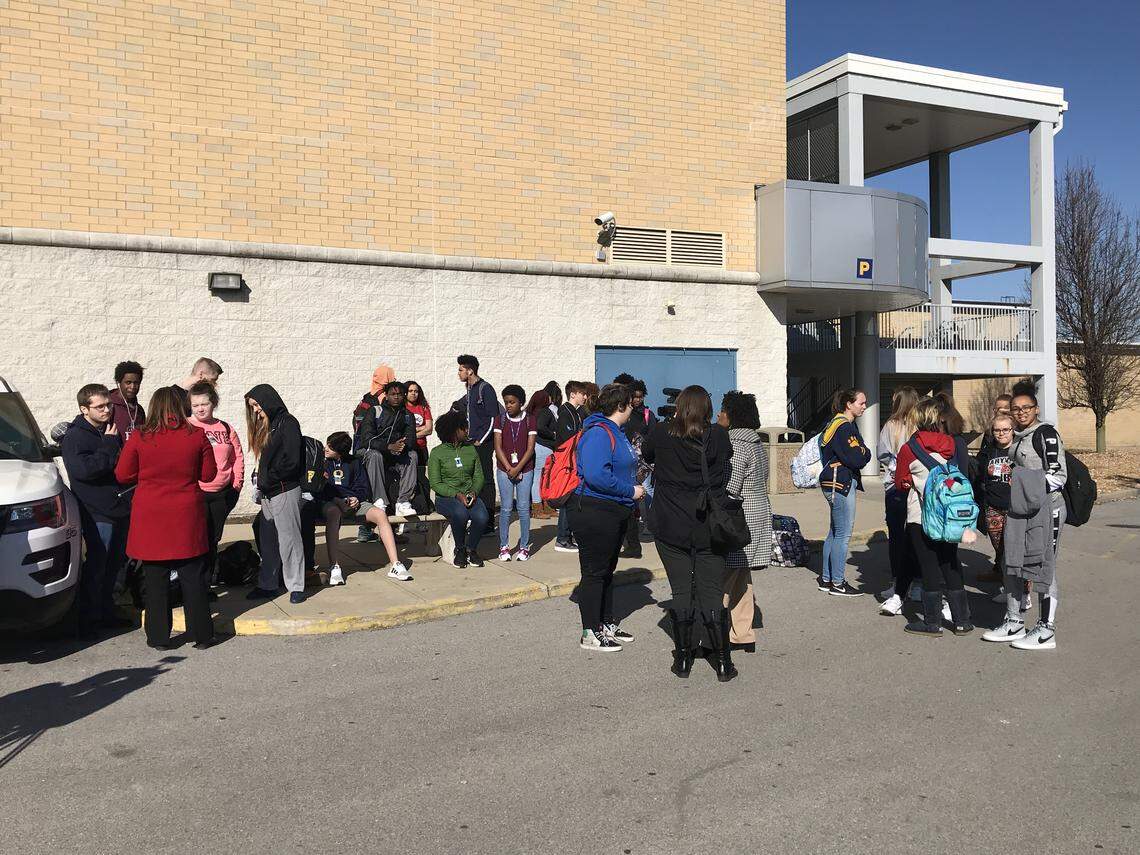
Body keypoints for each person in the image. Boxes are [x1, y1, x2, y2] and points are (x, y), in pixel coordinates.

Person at [643, 385, 736, 680]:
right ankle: (723, 662)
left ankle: (683, 659)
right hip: (710, 521)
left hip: (671, 522)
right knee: (711, 591)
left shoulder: (661, 432)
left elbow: (646, 454)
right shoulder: (719, 435)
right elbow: (726, 465)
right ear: (708, 408)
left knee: (681, 590)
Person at [114, 386, 218, 649]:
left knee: (155, 579)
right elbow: (208, 474)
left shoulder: (140, 436)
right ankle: (203, 635)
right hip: (186, 514)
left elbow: (122, 475)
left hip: (152, 515)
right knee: (193, 577)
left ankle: (159, 637)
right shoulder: (196, 436)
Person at [982, 389, 1067, 651]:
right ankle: (1015, 620)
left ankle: (1045, 630)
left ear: (1036, 409)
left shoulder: (1046, 434)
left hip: (1047, 510)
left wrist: (1020, 482)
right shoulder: (1018, 437)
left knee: (1044, 566)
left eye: (1026, 407)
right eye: (1016, 408)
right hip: (1019, 511)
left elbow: (1058, 476)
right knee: (1011, 562)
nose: (1021, 412)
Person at [567, 383, 643, 652]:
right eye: (630, 404)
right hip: (595, 511)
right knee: (594, 573)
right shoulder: (599, 433)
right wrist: (630, 491)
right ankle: (590, 631)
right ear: (620, 406)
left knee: (607, 571)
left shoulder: (616, 432)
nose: (634, 407)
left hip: (614, 510)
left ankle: (605, 623)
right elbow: (598, 476)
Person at [894, 397, 978, 637]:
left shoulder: (909, 449)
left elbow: (900, 482)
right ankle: (962, 620)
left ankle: (932, 623)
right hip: (949, 517)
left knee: (929, 566)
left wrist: (912, 481)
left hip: (921, 516)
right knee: (950, 563)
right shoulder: (951, 444)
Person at [60, 383, 131, 635]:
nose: (106, 410)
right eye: (100, 406)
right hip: (96, 510)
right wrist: (110, 446)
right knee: (97, 564)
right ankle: (88, 620)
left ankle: (106, 611)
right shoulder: (76, 436)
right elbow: (85, 471)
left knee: (114, 563)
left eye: (108, 405)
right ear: (84, 409)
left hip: (118, 505)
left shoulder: (109, 431)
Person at [244, 384, 308, 604]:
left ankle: (296, 585)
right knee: (269, 540)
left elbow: (292, 461)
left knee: (290, 540)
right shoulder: (268, 425)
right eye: (252, 407)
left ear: (267, 400)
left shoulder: (288, 423)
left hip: (284, 490)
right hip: (268, 493)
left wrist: (268, 479)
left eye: (257, 405)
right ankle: (268, 584)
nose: (255, 410)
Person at [318, 431, 410, 585]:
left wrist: (356, 499)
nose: (326, 448)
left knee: (380, 514)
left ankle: (395, 564)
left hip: (354, 503)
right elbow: (321, 489)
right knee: (333, 516)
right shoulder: (322, 463)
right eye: (327, 444)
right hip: (332, 503)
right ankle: (334, 567)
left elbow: (363, 487)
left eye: (330, 446)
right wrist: (340, 499)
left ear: (340, 451)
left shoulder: (354, 462)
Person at [718, 391, 771, 653]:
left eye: (722, 411)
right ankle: (743, 633)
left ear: (731, 415)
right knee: (741, 577)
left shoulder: (736, 444)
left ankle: (711, 629)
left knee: (722, 578)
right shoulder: (757, 443)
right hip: (757, 513)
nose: (718, 415)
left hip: (740, 517)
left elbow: (731, 485)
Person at [187, 380, 244, 586]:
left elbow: (237, 457)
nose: (200, 409)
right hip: (196, 493)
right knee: (196, 540)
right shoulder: (187, 426)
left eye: (205, 404)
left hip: (221, 494)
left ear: (213, 403)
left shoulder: (226, 428)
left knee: (213, 539)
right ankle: (194, 583)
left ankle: (208, 581)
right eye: (195, 405)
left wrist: (237, 484)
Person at [817, 388, 872, 597]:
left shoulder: (834, 423)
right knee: (843, 534)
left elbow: (861, 451)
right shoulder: (844, 428)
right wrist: (865, 452)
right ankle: (838, 583)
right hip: (840, 482)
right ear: (849, 404)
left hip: (832, 482)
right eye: (861, 403)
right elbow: (859, 457)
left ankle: (827, 578)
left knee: (834, 531)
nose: (864, 406)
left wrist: (863, 451)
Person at [876, 386, 919, 616]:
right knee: (917, 533)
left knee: (896, 536)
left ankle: (897, 583)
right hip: (916, 486)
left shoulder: (890, 426)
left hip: (894, 484)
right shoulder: (919, 426)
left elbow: (881, 453)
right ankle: (918, 583)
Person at [428, 411, 488, 568]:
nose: (467, 431)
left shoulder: (470, 450)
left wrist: (474, 491)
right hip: (446, 498)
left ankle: (471, 549)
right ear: (454, 431)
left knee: (482, 516)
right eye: (464, 428)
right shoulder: (437, 453)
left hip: (469, 494)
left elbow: (479, 476)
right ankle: (460, 549)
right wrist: (456, 494)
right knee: (460, 513)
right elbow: (435, 483)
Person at [358, 380, 418, 518]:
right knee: (375, 455)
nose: (396, 397)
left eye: (399, 394)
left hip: (396, 454)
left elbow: (410, 439)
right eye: (392, 394)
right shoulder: (374, 411)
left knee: (412, 455)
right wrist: (388, 446)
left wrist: (402, 447)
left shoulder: (408, 415)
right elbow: (366, 439)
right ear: (386, 395)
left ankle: (403, 502)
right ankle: (379, 501)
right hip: (372, 453)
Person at [350, 363, 396, 542]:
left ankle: (383, 529)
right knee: (375, 492)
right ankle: (368, 529)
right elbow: (366, 433)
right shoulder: (374, 401)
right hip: (370, 453)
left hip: (378, 452)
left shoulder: (366, 400)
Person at [454, 355, 500, 531]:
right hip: (471, 442)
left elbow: (493, 418)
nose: (458, 373)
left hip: (483, 443)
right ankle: (475, 516)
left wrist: (482, 439)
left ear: (470, 370)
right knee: (471, 480)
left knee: (486, 480)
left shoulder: (485, 389)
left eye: (460, 369)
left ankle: (487, 521)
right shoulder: (470, 389)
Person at [493, 384, 538, 561]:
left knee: (523, 508)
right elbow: (497, 446)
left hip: (525, 469)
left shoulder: (530, 420)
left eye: (512, 402)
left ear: (521, 402)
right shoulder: (500, 420)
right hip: (504, 469)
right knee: (505, 508)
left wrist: (518, 468)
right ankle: (504, 546)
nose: (508, 405)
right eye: (506, 402)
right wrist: (509, 468)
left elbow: (530, 448)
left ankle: (524, 546)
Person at [974, 413, 1015, 590]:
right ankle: (1008, 586)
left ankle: (1020, 592)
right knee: (1001, 549)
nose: (1001, 433)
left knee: (1015, 551)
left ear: (1013, 430)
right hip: (993, 507)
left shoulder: (1020, 450)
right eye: (997, 430)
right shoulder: (988, 451)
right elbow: (978, 474)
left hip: (1016, 508)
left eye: (1005, 429)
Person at [553, 380, 588, 552]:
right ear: (573, 394)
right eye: (583, 394)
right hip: (565, 463)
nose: (585, 397)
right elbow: (569, 439)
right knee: (567, 500)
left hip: (573, 462)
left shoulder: (576, 413)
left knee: (572, 500)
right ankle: (562, 538)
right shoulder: (565, 413)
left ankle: (568, 536)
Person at [527, 389, 557, 518]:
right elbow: (540, 427)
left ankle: (542, 506)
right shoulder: (545, 411)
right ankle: (539, 508)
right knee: (542, 478)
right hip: (544, 447)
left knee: (538, 478)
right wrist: (553, 434)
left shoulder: (530, 413)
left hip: (536, 447)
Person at [109, 360, 146, 439]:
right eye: (128, 382)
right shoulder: (109, 406)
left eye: (136, 383)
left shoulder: (139, 410)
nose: (132, 387)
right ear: (119, 382)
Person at [405, 380, 433, 473]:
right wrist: (422, 427)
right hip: (407, 448)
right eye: (411, 391)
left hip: (422, 448)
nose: (413, 393)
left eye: (416, 391)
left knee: (423, 475)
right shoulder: (402, 408)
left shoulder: (424, 407)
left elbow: (429, 429)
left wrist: (412, 435)